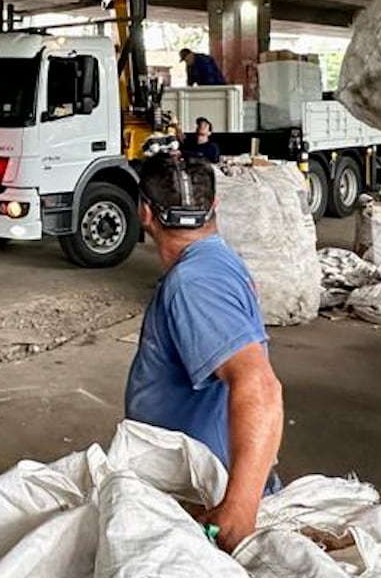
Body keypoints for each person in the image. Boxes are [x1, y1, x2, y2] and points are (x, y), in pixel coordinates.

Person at [125, 152, 284, 552]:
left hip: (207, 498)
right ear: (213, 206)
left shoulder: (195, 282)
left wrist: (239, 508)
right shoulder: (214, 261)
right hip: (199, 484)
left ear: (145, 212)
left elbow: (260, 387)